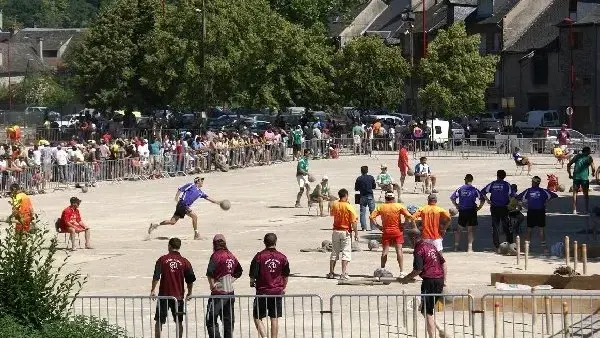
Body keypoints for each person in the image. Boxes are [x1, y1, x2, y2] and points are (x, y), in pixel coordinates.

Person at [399, 227, 447, 338]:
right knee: (427, 309)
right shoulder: (431, 246)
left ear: (414, 238)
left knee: (427, 311)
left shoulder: (419, 249)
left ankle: (433, 336)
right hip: (439, 279)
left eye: (409, 240)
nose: (409, 242)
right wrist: (445, 280)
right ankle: (440, 329)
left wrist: (406, 278)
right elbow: (443, 263)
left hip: (429, 281)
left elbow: (418, 269)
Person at [148, 177, 221, 240]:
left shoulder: (200, 193)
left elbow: (209, 198)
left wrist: (219, 202)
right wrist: (176, 198)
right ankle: (196, 234)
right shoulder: (191, 185)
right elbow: (180, 189)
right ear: (197, 181)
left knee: (172, 222)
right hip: (182, 204)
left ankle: (155, 225)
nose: (202, 182)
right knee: (194, 216)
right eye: (201, 181)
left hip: (183, 206)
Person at [151, 238, 196, 338]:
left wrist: (153, 290)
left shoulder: (162, 259)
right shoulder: (185, 261)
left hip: (163, 296)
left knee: (159, 321)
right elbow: (190, 279)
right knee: (179, 321)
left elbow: (156, 276)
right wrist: (190, 292)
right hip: (178, 297)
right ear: (179, 247)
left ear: (169, 246)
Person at [250, 233, 290, 338]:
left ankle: (264, 336)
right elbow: (286, 276)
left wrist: (252, 282)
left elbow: (252, 274)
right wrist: (283, 287)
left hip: (262, 291)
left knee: (257, 317)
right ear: (275, 242)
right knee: (274, 317)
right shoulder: (282, 257)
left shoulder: (259, 256)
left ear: (264, 242)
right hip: (277, 291)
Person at [206, 234, 243, 338]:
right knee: (228, 321)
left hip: (218, 294)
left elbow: (210, 272)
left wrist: (212, 285)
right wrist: (230, 280)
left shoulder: (216, 255)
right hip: (230, 293)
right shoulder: (231, 255)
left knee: (211, 319)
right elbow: (239, 271)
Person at [370, 191, 414, 276]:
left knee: (385, 251)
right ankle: (401, 271)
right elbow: (409, 216)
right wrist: (405, 224)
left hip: (386, 231)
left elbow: (372, 217)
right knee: (399, 251)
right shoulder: (398, 206)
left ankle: (382, 269)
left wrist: (378, 226)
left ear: (385, 198)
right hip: (397, 231)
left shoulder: (381, 207)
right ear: (393, 198)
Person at [516, 176, 558, 254]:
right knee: (541, 230)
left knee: (529, 229)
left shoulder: (528, 191)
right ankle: (544, 248)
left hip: (531, 211)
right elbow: (555, 195)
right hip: (540, 211)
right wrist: (546, 201)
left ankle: (526, 248)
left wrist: (521, 204)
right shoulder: (543, 191)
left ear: (533, 183)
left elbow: (518, 197)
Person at [328, 188, 358, 280]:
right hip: (345, 231)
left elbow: (331, 214)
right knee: (346, 252)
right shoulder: (349, 207)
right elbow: (354, 221)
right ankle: (343, 273)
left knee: (334, 252)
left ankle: (331, 272)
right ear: (346, 196)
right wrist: (356, 233)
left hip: (336, 231)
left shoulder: (335, 205)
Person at [482, 170, 516, 250]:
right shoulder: (507, 185)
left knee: (495, 227)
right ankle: (510, 243)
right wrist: (509, 204)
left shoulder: (492, 184)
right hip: (504, 208)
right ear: (504, 176)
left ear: (497, 176)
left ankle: (497, 245)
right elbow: (513, 195)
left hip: (494, 207)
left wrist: (488, 200)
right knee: (507, 226)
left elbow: (483, 192)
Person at [568, 146, 595, 214]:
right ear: (586, 151)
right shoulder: (589, 158)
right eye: (589, 152)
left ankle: (574, 210)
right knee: (586, 194)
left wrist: (569, 174)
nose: (590, 153)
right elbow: (593, 167)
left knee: (575, 193)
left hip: (576, 177)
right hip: (584, 178)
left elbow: (568, 164)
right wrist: (593, 173)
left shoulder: (577, 156)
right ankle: (586, 210)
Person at [355, 165, 376, 231]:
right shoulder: (371, 177)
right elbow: (374, 186)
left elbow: (356, 188)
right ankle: (373, 227)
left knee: (362, 213)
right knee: (372, 212)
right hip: (370, 196)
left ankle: (364, 227)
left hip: (362, 196)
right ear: (367, 171)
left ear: (361, 171)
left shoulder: (359, 178)